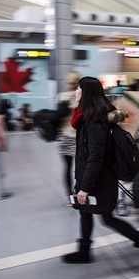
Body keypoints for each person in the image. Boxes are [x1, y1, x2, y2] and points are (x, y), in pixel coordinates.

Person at [62, 76, 139, 267]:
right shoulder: (86, 116)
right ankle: (84, 251)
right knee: (85, 211)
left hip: (100, 179)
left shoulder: (94, 120)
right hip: (91, 176)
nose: (75, 92)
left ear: (87, 92)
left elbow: (96, 157)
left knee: (107, 218)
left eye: (79, 88)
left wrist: (85, 188)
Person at [57, 71, 81, 204]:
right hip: (79, 137)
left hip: (64, 135)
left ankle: (69, 197)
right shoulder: (83, 97)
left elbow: (58, 117)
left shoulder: (62, 97)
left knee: (66, 167)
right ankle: (80, 194)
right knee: (80, 168)